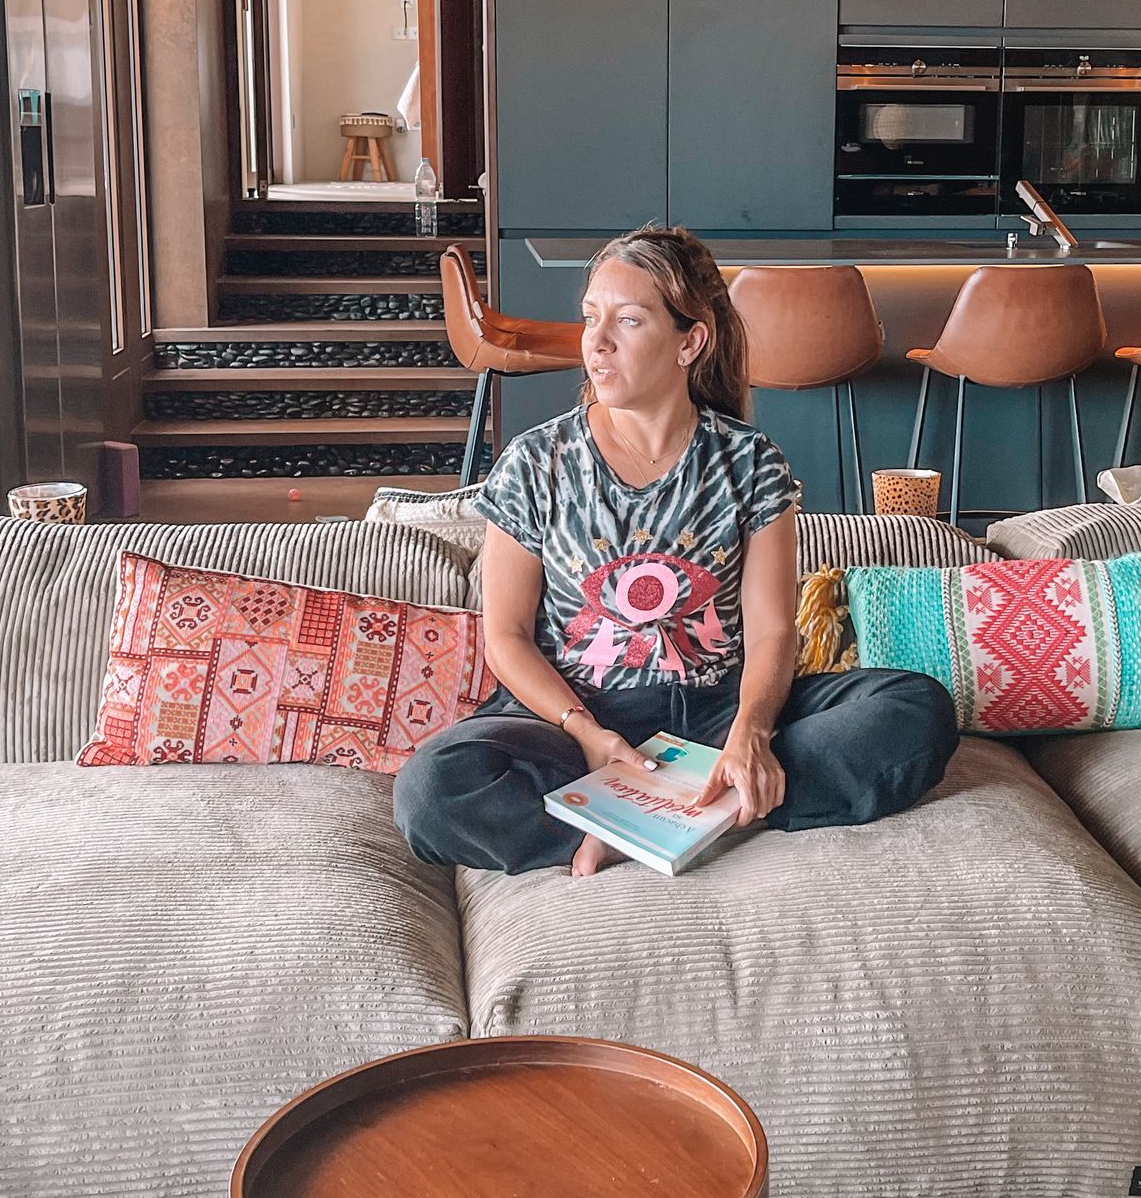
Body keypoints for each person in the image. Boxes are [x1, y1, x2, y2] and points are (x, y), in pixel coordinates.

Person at [393, 223, 958, 876]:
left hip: (717, 713)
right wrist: (587, 734)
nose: (597, 342)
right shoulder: (535, 462)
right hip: (573, 724)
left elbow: (774, 632)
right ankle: (687, 815)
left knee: (916, 710)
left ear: (690, 342)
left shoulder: (751, 463)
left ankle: (655, 812)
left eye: (628, 321)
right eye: (591, 318)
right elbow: (507, 636)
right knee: (431, 790)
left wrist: (751, 733)